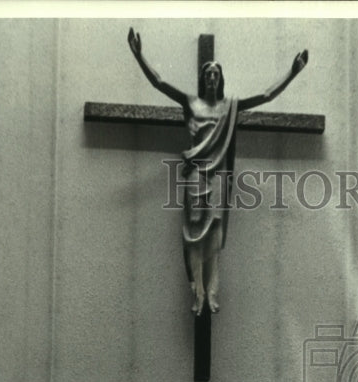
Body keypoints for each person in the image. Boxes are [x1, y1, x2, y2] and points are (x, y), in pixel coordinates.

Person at [127, 28, 308, 316]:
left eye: (216, 74)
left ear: (220, 80)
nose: (212, 77)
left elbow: (266, 95)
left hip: (218, 175)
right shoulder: (190, 103)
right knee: (194, 231)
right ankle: (196, 289)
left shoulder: (229, 107)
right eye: (208, 74)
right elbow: (160, 82)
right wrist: (138, 55)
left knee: (214, 231)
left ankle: (211, 290)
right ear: (203, 79)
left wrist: (293, 72)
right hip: (196, 174)